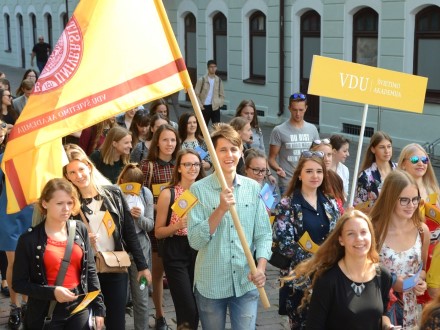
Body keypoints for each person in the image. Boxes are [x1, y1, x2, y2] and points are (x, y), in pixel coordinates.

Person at [188, 123, 272, 330]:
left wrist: (260, 268)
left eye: (234, 149)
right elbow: (195, 241)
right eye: (222, 149)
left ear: (241, 152)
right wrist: (220, 209)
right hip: (211, 284)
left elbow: (263, 234)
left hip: (245, 281)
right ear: (213, 154)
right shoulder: (197, 189)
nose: (229, 155)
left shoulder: (253, 188)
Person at [63, 144, 151, 330]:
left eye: (81, 169)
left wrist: (142, 266)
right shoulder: (68, 204)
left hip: (114, 266)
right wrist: (83, 241)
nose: (79, 175)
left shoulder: (114, 193)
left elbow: (129, 231)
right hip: (85, 271)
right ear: (67, 176)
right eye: (72, 172)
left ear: (89, 166)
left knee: (116, 322)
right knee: (87, 323)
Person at [12, 178, 106, 329]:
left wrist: (99, 309)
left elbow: (90, 271)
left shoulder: (80, 229)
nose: (66, 208)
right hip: (46, 311)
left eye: (70, 203)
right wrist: (52, 292)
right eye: (59, 203)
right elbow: (18, 284)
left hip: (79, 306)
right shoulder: (29, 240)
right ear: (45, 203)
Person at [286, 210, 393, 330]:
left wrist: (388, 326)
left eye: (364, 232)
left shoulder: (383, 276)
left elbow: (383, 313)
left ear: (371, 236)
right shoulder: (327, 279)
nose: (359, 238)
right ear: (341, 240)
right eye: (351, 234)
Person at [272, 150, 341, 327]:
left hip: (328, 277)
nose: (315, 176)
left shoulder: (330, 202)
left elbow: (339, 235)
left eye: (319, 171)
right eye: (309, 171)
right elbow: (284, 243)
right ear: (300, 175)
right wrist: (317, 259)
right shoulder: (287, 204)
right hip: (300, 280)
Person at [370, 170, 430, 329]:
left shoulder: (422, 231)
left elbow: (422, 270)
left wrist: (420, 282)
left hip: (410, 310)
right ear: (390, 198)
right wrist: (392, 282)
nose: (411, 205)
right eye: (404, 200)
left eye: (415, 199)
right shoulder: (373, 231)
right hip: (380, 309)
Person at [155, 149, 206, 329]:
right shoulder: (168, 194)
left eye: (196, 164)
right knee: (187, 307)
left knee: (198, 306)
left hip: (200, 249)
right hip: (175, 249)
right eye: (187, 164)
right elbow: (158, 232)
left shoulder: (205, 192)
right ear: (178, 168)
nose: (193, 168)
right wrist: (177, 226)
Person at [139, 124, 180, 330]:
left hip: (179, 226)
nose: (169, 144)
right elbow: (139, 197)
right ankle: (160, 316)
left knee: (177, 272)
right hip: (155, 227)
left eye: (173, 140)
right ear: (157, 142)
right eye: (165, 140)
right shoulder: (148, 166)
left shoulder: (180, 164)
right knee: (156, 273)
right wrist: (160, 205)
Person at [398, 143, 440, 304]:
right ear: (403, 163)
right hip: (410, 251)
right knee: (408, 296)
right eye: (415, 159)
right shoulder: (396, 188)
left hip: (434, 254)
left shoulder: (433, 188)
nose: (421, 163)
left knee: (432, 303)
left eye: (425, 159)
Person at [117, 164, 154, 330]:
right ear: (122, 180)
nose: (132, 189)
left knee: (142, 295)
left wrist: (139, 218)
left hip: (142, 248)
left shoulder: (146, 194)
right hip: (120, 248)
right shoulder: (114, 193)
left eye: (137, 185)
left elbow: (150, 225)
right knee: (119, 297)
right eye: (128, 184)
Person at [269, 92, 319, 195]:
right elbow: (271, 158)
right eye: (295, 110)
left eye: (301, 110)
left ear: (306, 108)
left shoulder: (312, 129)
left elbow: (317, 156)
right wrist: (278, 169)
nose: (298, 114)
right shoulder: (279, 130)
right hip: (288, 182)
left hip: (307, 181)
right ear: (289, 108)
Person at [354, 131, 396, 209]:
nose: (387, 151)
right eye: (382, 147)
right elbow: (359, 207)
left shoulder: (399, 169)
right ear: (373, 149)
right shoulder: (365, 176)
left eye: (389, 146)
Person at [310, 139, 345, 211]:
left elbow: (340, 205)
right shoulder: (311, 180)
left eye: (329, 155)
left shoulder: (336, 179)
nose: (326, 159)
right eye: (321, 155)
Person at [194, 60, 225, 126]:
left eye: (214, 67)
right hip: (205, 106)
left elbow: (222, 94)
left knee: (217, 127)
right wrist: (200, 105)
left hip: (215, 107)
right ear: (208, 68)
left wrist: (219, 103)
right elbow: (196, 94)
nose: (213, 68)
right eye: (211, 67)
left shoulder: (219, 80)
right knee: (202, 127)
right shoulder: (202, 80)